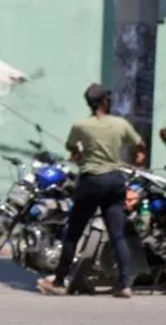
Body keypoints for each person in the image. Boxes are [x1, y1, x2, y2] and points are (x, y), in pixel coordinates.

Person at [38, 84, 145, 298]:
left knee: (73, 234)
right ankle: (125, 285)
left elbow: (72, 148)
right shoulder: (120, 124)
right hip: (115, 180)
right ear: (105, 100)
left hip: (90, 181)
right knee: (117, 235)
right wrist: (138, 161)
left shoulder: (81, 125)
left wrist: (79, 155)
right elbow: (140, 145)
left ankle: (59, 281)